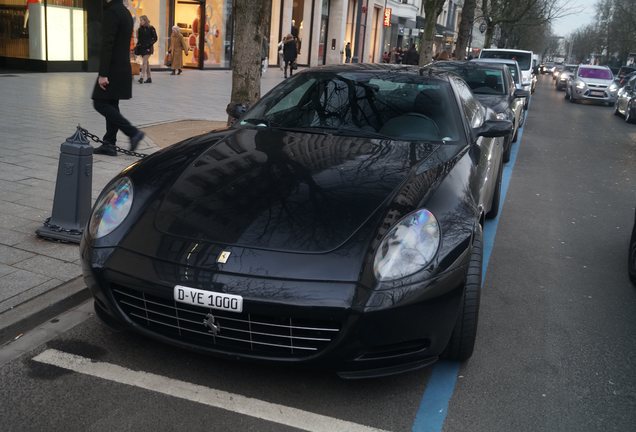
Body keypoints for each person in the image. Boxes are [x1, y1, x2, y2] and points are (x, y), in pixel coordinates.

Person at [91, 0, 144, 157]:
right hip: (122, 66)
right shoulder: (125, 12)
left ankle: (132, 132)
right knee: (111, 103)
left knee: (99, 103)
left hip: (112, 68)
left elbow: (108, 44)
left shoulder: (111, 12)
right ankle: (109, 143)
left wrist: (103, 73)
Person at [135, 15, 157, 84]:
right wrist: (137, 46)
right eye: (140, 20)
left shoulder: (151, 28)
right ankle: (149, 78)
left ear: (145, 20)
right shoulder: (139, 29)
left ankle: (142, 77)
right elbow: (139, 39)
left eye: (142, 20)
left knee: (144, 62)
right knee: (146, 63)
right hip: (142, 48)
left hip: (148, 48)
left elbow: (155, 38)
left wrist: (150, 44)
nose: (140, 22)